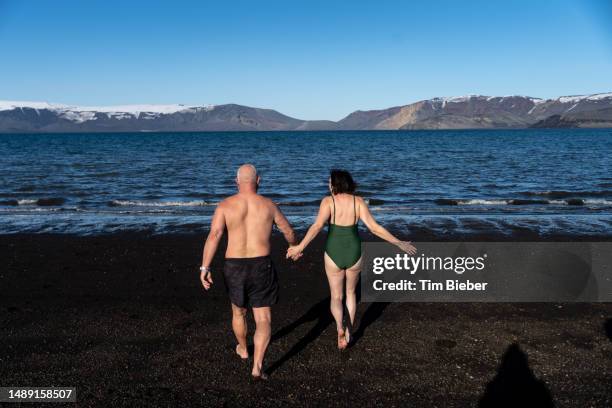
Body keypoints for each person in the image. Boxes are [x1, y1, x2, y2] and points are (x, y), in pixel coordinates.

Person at [287, 169, 416, 350]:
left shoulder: (328, 201)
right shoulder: (358, 201)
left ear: (335, 184)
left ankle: (339, 327)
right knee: (351, 294)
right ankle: (349, 331)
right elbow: (374, 228)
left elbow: (317, 226)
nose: (327, 184)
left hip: (334, 252)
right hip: (354, 252)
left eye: (329, 182)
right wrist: (398, 242)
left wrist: (300, 247)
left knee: (336, 296)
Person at [200, 164, 297, 380]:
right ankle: (257, 366)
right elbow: (288, 230)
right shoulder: (268, 205)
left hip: (233, 265)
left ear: (236, 182)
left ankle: (243, 349)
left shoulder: (225, 205)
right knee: (263, 317)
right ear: (259, 181)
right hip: (261, 264)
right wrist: (294, 247)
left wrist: (205, 267)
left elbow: (215, 235)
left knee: (238, 312)